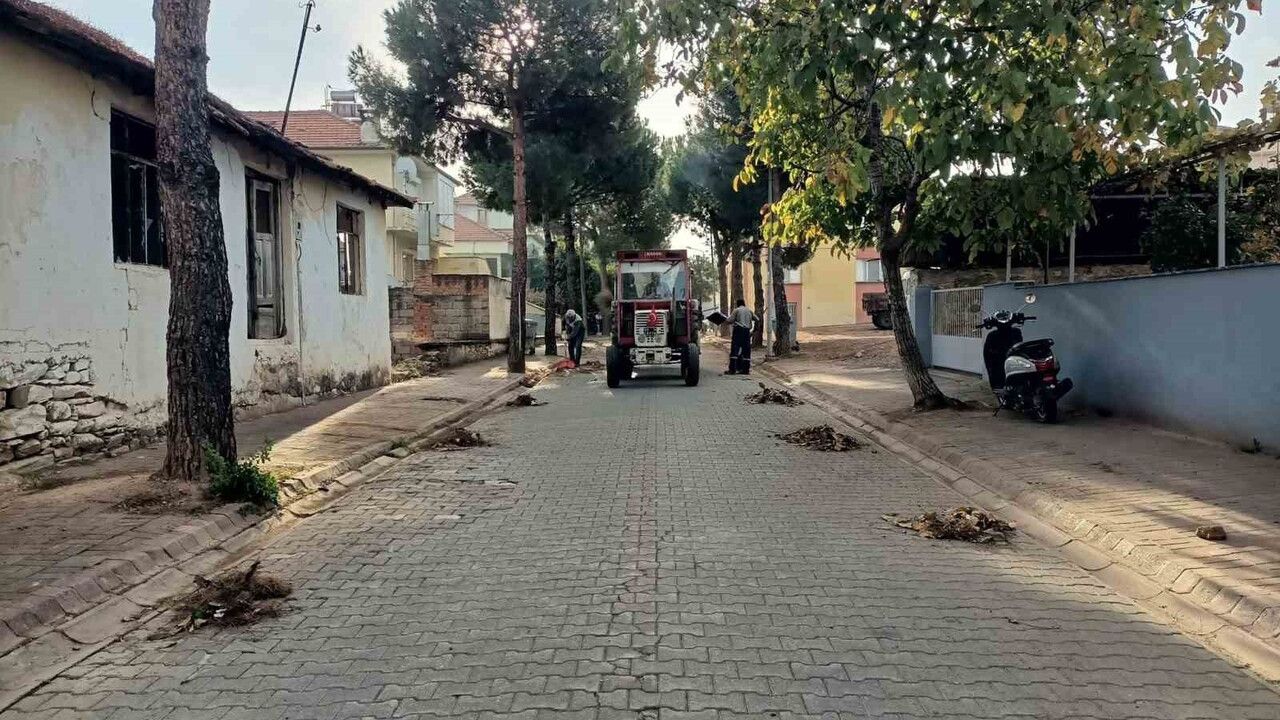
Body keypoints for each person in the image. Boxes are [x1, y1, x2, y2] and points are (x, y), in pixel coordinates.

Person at [725, 299, 756, 375]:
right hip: (746, 332)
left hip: (738, 331)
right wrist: (754, 330)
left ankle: (732, 370)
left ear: (737, 304)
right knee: (746, 351)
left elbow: (730, 320)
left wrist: (725, 320)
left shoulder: (736, 310)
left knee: (734, 350)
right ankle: (745, 370)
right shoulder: (749, 311)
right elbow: (757, 319)